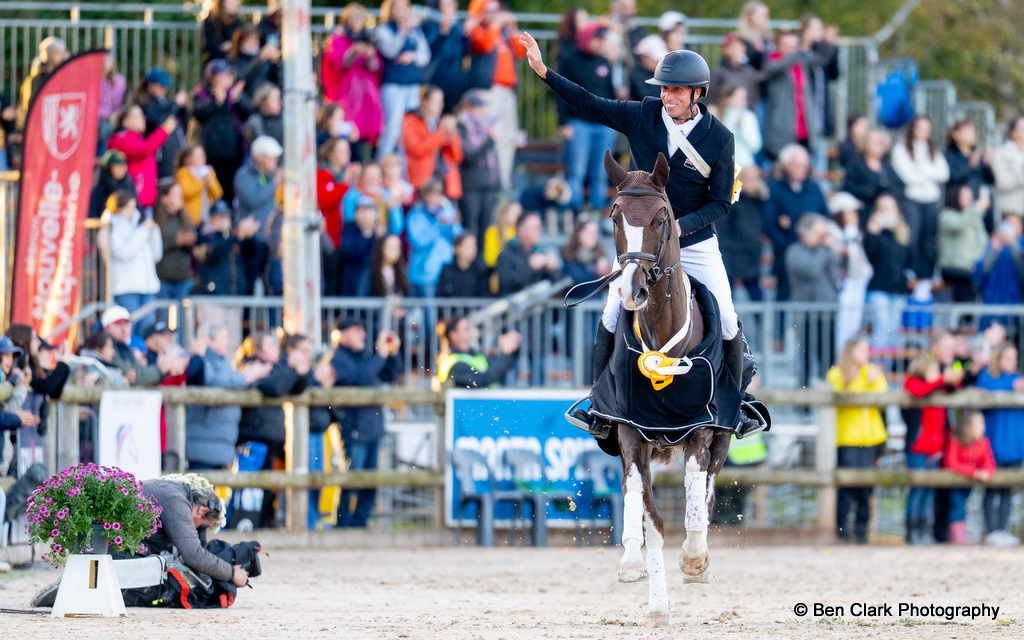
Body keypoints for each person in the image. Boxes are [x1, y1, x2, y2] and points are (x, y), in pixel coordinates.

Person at [519, 35, 754, 426]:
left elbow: (721, 203)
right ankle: (598, 405)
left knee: (728, 318)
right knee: (612, 312)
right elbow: (589, 103)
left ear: (697, 93)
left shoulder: (719, 139)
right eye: (664, 89)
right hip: (641, 242)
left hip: (694, 241)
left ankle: (738, 407)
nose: (667, 96)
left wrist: (680, 226)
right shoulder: (643, 114)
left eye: (676, 90)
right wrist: (544, 72)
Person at [331, 319, 401, 527]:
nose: (363, 335)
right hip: (354, 430)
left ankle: (360, 524)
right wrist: (380, 355)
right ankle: (343, 525)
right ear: (342, 334)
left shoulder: (363, 357)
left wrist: (392, 354)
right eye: (356, 331)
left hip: (372, 428)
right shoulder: (338, 358)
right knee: (352, 480)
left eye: (362, 330)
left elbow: (389, 374)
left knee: (371, 482)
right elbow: (362, 376)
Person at [237, 333, 311, 528]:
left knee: (271, 487)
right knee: (251, 489)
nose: (275, 348)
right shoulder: (252, 366)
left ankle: (265, 523)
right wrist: (292, 368)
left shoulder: (277, 368)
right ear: (257, 349)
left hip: (272, 437)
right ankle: (247, 524)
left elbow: (295, 388)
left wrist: (302, 372)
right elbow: (276, 387)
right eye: (269, 344)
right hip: (254, 436)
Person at [826, 338, 887, 543]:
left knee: (866, 488)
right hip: (848, 438)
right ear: (851, 351)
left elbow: (882, 399)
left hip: (871, 439)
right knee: (847, 487)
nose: (867, 353)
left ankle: (862, 530)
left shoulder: (872, 372)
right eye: (862, 349)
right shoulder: (836, 373)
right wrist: (864, 382)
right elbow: (841, 399)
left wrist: (872, 381)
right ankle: (841, 530)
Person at [186, 324, 271, 470]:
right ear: (208, 339)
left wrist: (249, 377)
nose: (227, 342)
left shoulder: (224, 362)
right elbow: (213, 381)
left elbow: (232, 380)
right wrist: (246, 377)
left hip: (221, 445)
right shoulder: (200, 361)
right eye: (223, 337)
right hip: (203, 445)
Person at [556, 21, 617, 212]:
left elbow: (610, 93)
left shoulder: (604, 62)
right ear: (587, 38)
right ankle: (575, 210)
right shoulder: (569, 61)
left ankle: (598, 210)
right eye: (598, 39)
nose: (601, 43)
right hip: (579, 123)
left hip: (603, 124)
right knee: (577, 170)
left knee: (601, 171)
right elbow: (560, 94)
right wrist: (563, 122)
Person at [467, 0, 526, 192]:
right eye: (490, 10)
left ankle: (503, 182)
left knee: (507, 138)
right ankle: (489, 181)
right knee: (487, 136)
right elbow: (484, 45)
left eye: (497, 10)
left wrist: (513, 28)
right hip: (488, 90)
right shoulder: (479, 30)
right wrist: (496, 25)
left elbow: (520, 52)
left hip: (507, 91)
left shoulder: (503, 33)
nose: (495, 14)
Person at [762, 144, 828, 302]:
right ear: (786, 165)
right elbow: (769, 222)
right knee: (784, 299)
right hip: (785, 256)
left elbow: (824, 216)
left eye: (805, 165)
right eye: (798, 165)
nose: (803, 169)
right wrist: (785, 245)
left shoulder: (814, 188)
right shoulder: (775, 189)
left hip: (813, 255)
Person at [974, 343, 1024, 546]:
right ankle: (991, 530)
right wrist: (1011, 388)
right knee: (990, 490)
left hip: (1015, 447)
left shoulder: (1018, 379)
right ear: (998, 358)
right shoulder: (987, 378)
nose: (1012, 362)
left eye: (1014, 358)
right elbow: (982, 392)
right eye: (1008, 358)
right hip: (993, 445)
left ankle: (1002, 529)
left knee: (1007, 491)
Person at [891, 116, 950, 280]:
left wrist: (920, 169)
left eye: (927, 129)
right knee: (913, 237)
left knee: (930, 242)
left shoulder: (932, 149)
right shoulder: (901, 149)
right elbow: (907, 177)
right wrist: (930, 173)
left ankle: (927, 277)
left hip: (931, 201)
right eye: (921, 128)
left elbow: (944, 174)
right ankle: (910, 272)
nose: (925, 132)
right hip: (911, 199)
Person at [320, 2, 383, 153]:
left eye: (359, 18)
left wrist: (369, 55)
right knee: (346, 130)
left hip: (366, 95)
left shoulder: (369, 39)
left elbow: (377, 67)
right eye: (353, 18)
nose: (356, 22)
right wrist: (353, 52)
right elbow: (334, 64)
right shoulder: (337, 39)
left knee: (366, 132)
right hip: (346, 94)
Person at [785, 213, 838, 387]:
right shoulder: (794, 251)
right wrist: (825, 248)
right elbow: (812, 270)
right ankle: (803, 397)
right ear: (805, 233)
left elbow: (837, 274)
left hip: (828, 313)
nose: (822, 238)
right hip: (806, 314)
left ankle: (827, 395)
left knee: (828, 359)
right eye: (819, 233)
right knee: (806, 359)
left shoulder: (824, 252)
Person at [761, 30, 831, 160]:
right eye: (787, 45)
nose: (791, 49)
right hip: (783, 130)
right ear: (778, 46)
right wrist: (796, 54)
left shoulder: (801, 62)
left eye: (794, 46)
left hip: (804, 127)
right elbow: (777, 68)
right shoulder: (772, 63)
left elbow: (822, 58)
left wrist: (824, 42)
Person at [375, 0, 431, 160]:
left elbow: (425, 56)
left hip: (412, 84)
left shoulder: (415, 31)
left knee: (407, 130)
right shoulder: (384, 29)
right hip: (393, 85)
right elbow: (390, 51)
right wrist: (402, 31)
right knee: (392, 129)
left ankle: (403, 170)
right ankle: (382, 163)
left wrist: (412, 56)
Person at [102, 190, 162, 334]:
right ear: (118, 208)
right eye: (128, 207)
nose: (132, 211)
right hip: (125, 289)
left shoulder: (138, 226)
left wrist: (154, 232)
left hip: (147, 288)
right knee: (128, 330)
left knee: (146, 331)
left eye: (134, 207)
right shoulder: (110, 228)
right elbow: (124, 252)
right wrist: (143, 231)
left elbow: (156, 255)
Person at [191, 59, 248, 204]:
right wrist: (215, 101)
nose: (227, 78)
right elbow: (198, 113)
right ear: (213, 77)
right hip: (213, 153)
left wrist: (238, 99)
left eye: (228, 74)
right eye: (223, 75)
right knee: (215, 190)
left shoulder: (233, 93)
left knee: (231, 190)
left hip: (233, 152)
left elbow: (248, 111)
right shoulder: (202, 94)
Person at [234, 135, 283, 294]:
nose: (275, 161)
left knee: (274, 284)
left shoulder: (273, 176)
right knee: (249, 283)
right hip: (253, 239)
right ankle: (248, 311)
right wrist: (274, 183)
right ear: (259, 157)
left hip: (272, 240)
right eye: (271, 157)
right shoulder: (244, 175)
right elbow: (252, 198)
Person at [862, 194, 910, 355]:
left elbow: (908, 261)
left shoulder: (902, 235)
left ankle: (889, 365)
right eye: (883, 209)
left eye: (890, 208)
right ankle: (878, 363)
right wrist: (872, 232)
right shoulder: (873, 234)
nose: (887, 212)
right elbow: (868, 255)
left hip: (898, 290)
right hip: (878, 288)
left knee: (894, 328)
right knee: (882, 325)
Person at [107, 105, 176, 213]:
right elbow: (142, 151)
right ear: (126, 122)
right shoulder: (121, 139)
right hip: (133, 202)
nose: (143, 118)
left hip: (145, 202)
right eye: (138, 116)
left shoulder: (139, 138)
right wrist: (164, 130)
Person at [943, 411, 996, 545]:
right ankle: (957, 539)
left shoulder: (982, 442)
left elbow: (989, 461)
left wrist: (986, 472)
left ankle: (961, 537)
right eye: (980, 424)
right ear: (969, 427)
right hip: (954, 482)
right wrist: (974, 472)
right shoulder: (956, 439)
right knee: (957, 507)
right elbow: (950, 462)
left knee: (963, 506)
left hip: (968, 483)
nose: (983, 427)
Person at [402, 84, 463, 196]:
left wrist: (452, 134)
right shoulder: (410, 121)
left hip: (444, 180)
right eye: (436, 102)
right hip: (422, 182)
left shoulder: (441, 122)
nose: (440, 106)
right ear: (424, 102)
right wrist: (441, 134)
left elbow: (456, 157)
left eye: (441, 102)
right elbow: (416, 149)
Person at [458, 90, 500, 248]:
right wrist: (490, 140)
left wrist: (497, 182)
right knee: (470, 227)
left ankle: (481, 260)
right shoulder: (462, 125)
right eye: (477, 107)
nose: (482, 111)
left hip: (488, 184)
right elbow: (469, 155)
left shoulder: (487, 126)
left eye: (483, 107)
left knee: (485, 228)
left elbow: (494, 159)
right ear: (468, 107)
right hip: (471, 184)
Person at [407, 180, 462, 298]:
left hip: (446, 270)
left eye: (438, 193)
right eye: (431, 193)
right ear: (424, 195)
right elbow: (419, 242)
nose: (435, 197)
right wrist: (438, 223)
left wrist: (454, 223)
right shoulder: (416, 215)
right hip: (424, 273)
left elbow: (458, 237)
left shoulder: (448, 212)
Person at [719, 166, 767, 301]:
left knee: (757, 295)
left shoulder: (759, 202)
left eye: (755, 179)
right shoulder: (731, 201)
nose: (752, 183)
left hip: (751, 256)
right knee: (728, 295)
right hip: (732, 255)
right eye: (748, 179)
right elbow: (722, 230)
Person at [134, 67, 190, 180]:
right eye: (161, 86)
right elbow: (161, 122)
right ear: (150, 86)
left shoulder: (166, 103)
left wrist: (183, 108)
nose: (165, 89)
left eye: (166, 86)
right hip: (162, 160)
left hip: (175, 156)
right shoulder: (145, 105)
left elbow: (183, 125)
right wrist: (176, 104)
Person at [194, 200, 258, 296]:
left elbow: (253, 254)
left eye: (226, 216)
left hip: (236, 294)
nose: (223, 220)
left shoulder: (233, 237)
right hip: (212, 295)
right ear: (211, 218)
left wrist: (249, 237)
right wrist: (238, 236)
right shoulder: (204, 237)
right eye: (219, 217)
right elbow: (213, 252)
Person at [438, 315, 521, 387]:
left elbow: (496, 370)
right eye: (466, 329)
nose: (471, 332)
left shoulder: (475, 355)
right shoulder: (454, 364)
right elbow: (483, 379)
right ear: (453, 335)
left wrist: (510, 350)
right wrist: (506, 352)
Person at [840, 129, 903, 224]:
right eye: (875, 142)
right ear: (865, 143)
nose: (879, 145)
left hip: (887, 206)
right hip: (865, 207)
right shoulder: (857, 164)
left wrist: (887, 195)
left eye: (881, 142)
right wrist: (869, 191)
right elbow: (847, 187)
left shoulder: (885, 165)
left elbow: (899, 185)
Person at [939, 185, 990, 302]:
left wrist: (977, 263)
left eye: (970, 196)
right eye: (965, 196)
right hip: (953, 268)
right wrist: (978, 208)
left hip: (971, 269)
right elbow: (959, 224)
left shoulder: (974, 217)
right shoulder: (946, 215)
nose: (969, 199)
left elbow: (983, 241)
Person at [154, 180, 197, 306]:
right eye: (176, 194)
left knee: (182, 316)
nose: (181, 198)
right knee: (163, 315)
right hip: (162, 279)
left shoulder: (186, 219)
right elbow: (153, 249)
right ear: (165, 198)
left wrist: (189, 241)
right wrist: (175, 241)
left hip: (182, 279)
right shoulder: (157, 221)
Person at [496, 211, 557, 296]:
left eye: (540, 228)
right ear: (521, 229)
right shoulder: (506, 255)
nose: (539, 231)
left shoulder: (540, 253)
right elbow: (507, 284)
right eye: (535, 228)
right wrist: (530, 267)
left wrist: (552, 270)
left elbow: (556, 285)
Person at [422, 0, 467, 113]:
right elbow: (429, 51)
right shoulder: (430, 25)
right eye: (444, 6)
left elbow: (465, 52)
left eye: (451, 5)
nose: (449, 9)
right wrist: (443, 32)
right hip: (434, 82)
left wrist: (467, 35)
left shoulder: (458, 28)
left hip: (454, 85)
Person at [945, 119, 995, 217]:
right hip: (960, 208)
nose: (973, 134)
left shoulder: (977, 154)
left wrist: (987, 164)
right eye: (968, 131)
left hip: (982, 206)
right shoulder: (949, 155)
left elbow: (991, 181)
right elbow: (953, 177)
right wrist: (970, 165)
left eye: (974, 131)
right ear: (955, 134)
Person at [975, 213, 1024, 305]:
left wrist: (1012, 243)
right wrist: (994, 250)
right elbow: (982, 271)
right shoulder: (992, 244)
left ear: (1020, 228)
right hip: (991, 298)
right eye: (1008, 224)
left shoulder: (1021, 244)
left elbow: (1021, 268)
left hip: (1015, 300)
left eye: (1014, 225)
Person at [19, 37, 68, 125]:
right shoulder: (36, 80)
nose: (64, 56)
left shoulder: (63, 77)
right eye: (60, 53)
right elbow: (31, 109)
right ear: (50, 55)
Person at [707, 32, 761, 111]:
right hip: (723, 115)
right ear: (726, 49)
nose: (739, 49)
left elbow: (753, 99)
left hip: (745, 115)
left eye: (741, 46)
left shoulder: (750, 72)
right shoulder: (717, 72)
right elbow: (711, 100)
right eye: (735, 46)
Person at [228, 25, 281, 103]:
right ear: (240, 42)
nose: (253, 43)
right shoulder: (234, 61)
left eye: (256, 39)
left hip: (267, 99)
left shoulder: (264, 60)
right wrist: (259, 59)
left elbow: (275, 79)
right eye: (249, 40)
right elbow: (240, 78)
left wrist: (275, 63)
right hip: (248, 101)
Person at [340, 197, 381, 296]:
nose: (365, 214)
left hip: (374, 285)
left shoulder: (381, 232)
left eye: (369, 210)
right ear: (356, 214)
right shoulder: (349, 229)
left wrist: (379, 237)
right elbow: (351, 254)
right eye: (362, 210)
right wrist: (366, 235)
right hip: (352, 285)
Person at [175, 144, 224, 227]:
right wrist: (202, 183)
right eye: (197, 156)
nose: (201, 158)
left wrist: (210, 182)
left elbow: (218, 193)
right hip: (191, 217)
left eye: (202, 155)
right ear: (188, 159)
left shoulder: (208, 171)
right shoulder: (183, 173)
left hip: (207, 217)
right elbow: (185, 191)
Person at [717, 84, 761, 169]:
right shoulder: (718, 116)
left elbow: (756, 146)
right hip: (724, 165)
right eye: (738, 96)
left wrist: (742, 129)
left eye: (744, 97)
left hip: (745, 165)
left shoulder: (749, 117)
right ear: (728, 98)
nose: (743, 100)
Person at [437, 233, 490, 298]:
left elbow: (485, 295)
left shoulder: (480, 271)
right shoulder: (448, 270)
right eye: (468, 247)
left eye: (474, 246)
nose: (473, 250)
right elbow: (440, 296)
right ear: (457, 248)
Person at [89, 150, 136, 219]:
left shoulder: (128, 183)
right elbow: (92, 214)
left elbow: (137, 207)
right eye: (118, 166)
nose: (122, 169)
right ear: (109, 167)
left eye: (123, 165)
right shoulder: (100, 186)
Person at [993, 117, 1024, 218]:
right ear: (1012, 131)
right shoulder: (1001, 153)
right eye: (1021, 128)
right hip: (1010, 210)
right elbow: (1000, 182)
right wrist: (1020, 175)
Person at [97, 52, 126, 153]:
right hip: (96, 119)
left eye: (108, 60)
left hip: (110, 121)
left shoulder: (119, 81)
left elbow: (119, 104)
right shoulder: (92, 79)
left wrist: (113, 115)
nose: (105, 63)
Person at [629, 34, 668, 101]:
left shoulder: (660, 74)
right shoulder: (637, 77)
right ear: (644, 57)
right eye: (656, 59)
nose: (658, 62)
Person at [484, 201, 520, 271]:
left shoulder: (518, 232)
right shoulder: (492, 231)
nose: (518, 218)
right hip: (497, 271)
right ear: (505, 214)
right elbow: (490, 260)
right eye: (515, 215)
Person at [737, 1, 771, 71]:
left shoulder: (766, 38)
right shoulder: (741, 39)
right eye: (759, 16)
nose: (763, 19)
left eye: (765, 16)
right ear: (749, 17)